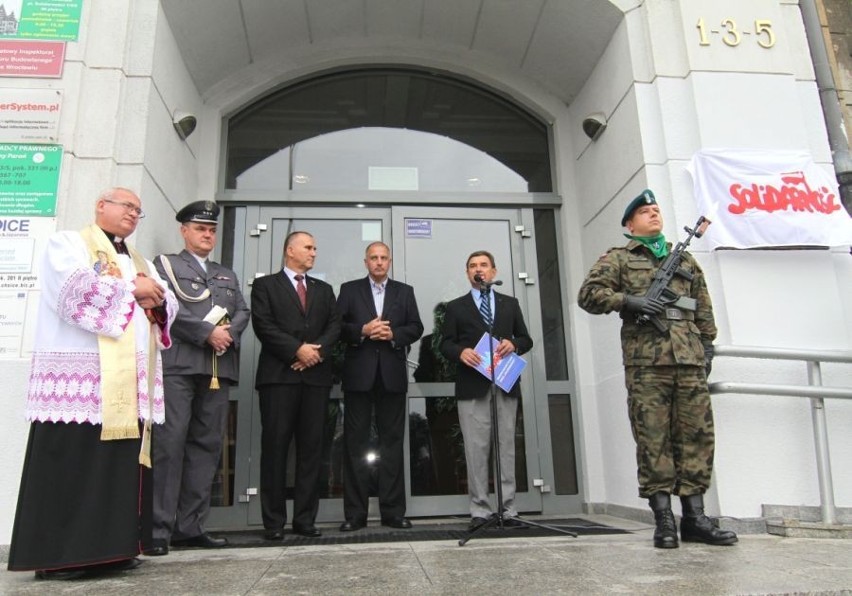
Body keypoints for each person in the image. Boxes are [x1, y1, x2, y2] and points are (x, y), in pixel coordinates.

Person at [7, 187, 177, 580]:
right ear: (101, 206)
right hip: (81, 380)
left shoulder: (141, 261)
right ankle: (62, 554)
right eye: (127, 206)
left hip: (126, 382)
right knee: (72, 463)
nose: (133, 214)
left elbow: (167, 301)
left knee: (117, 468)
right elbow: (70, 290)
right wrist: (134, 289)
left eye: (139, 210)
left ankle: (111, 550)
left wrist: (159, 300)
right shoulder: (68, 244)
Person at [577, 189, 738, 549]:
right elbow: (588, 294)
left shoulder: (686, 261)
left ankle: (695, 518)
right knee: (653, 439)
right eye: (645, 212)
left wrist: (707, 348)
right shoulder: (619, 258)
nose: (653, 215)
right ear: (629, 224)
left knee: (697, 437)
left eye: (656, 210)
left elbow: (703, 308)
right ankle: (663, 518)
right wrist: (629, 300)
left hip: (689, 361)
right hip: (647, 364)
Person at [147, 201, 251, 556]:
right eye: (200, 228)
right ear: (184, 231)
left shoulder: (226, 274)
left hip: (218, 368)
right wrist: (206, 332)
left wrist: (227, 334)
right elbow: (165, 307)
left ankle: (189, 527)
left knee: (206, 447)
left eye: (211, 230)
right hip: (180, 365)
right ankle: (159, 529)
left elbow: (242, 311)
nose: (207, 234)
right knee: (170, 445)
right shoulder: (165, 265)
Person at [251, 231, 341, 540]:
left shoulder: (324, 289)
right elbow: (263, 325)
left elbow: (335, 326)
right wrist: (296, 350)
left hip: (315, 379)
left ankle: (305, 520)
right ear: (290, 250)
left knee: (311, 451)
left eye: (315, 248)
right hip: (279, 378)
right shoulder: (265, 286)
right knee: (275, 449)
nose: (314, 252)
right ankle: (274, 522)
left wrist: (313, 353)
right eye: (308, 247)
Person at [440, 250, 533, 531]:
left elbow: (526, 338)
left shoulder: (509, 304)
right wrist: (461, 352)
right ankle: (480, 510)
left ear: (493, 271)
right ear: (467, 273)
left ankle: (509, 510)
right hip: (472, 387)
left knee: (506, 448)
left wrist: (514, 344)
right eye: (472, 266)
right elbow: (444, 344)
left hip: (504, 384)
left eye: (483, 265)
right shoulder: (455, 308)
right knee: (476, 449)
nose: (477, 269)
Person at [336, 241, 424, 531]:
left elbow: (417, 327)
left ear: (390, 261)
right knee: (355, 445)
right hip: (358, 377)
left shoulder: (404, 291)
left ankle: (393, 512)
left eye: (383, 258)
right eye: (373, 258)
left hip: (391, 376)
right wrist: (362, 330)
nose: (378, 262)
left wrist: (393, 334)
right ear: (365, 262)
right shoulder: (349, 290)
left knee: (393, 445)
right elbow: (336, 327)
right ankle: (355, 515)